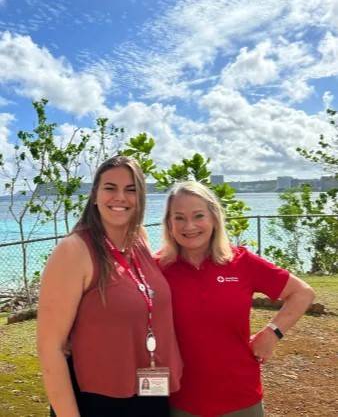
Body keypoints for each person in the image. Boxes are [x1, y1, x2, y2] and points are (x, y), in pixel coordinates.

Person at [37, 156, 182, 417]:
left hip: (149, 389)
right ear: (94, 195)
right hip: (99, 399)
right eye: (110, 188)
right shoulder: (73, 251)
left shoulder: (139, 238)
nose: (120, 198)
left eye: (131, 190)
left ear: (140, 198)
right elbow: (51, 349)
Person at [157, 181, 315, 417]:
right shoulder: (157, 267)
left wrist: (272, 333)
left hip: (240, 397)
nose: (189, 226)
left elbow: (303, 293)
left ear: (214, 218)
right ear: (169, 224)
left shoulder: (242, 262)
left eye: (198, 215)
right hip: (180, 399)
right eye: (178, 217)